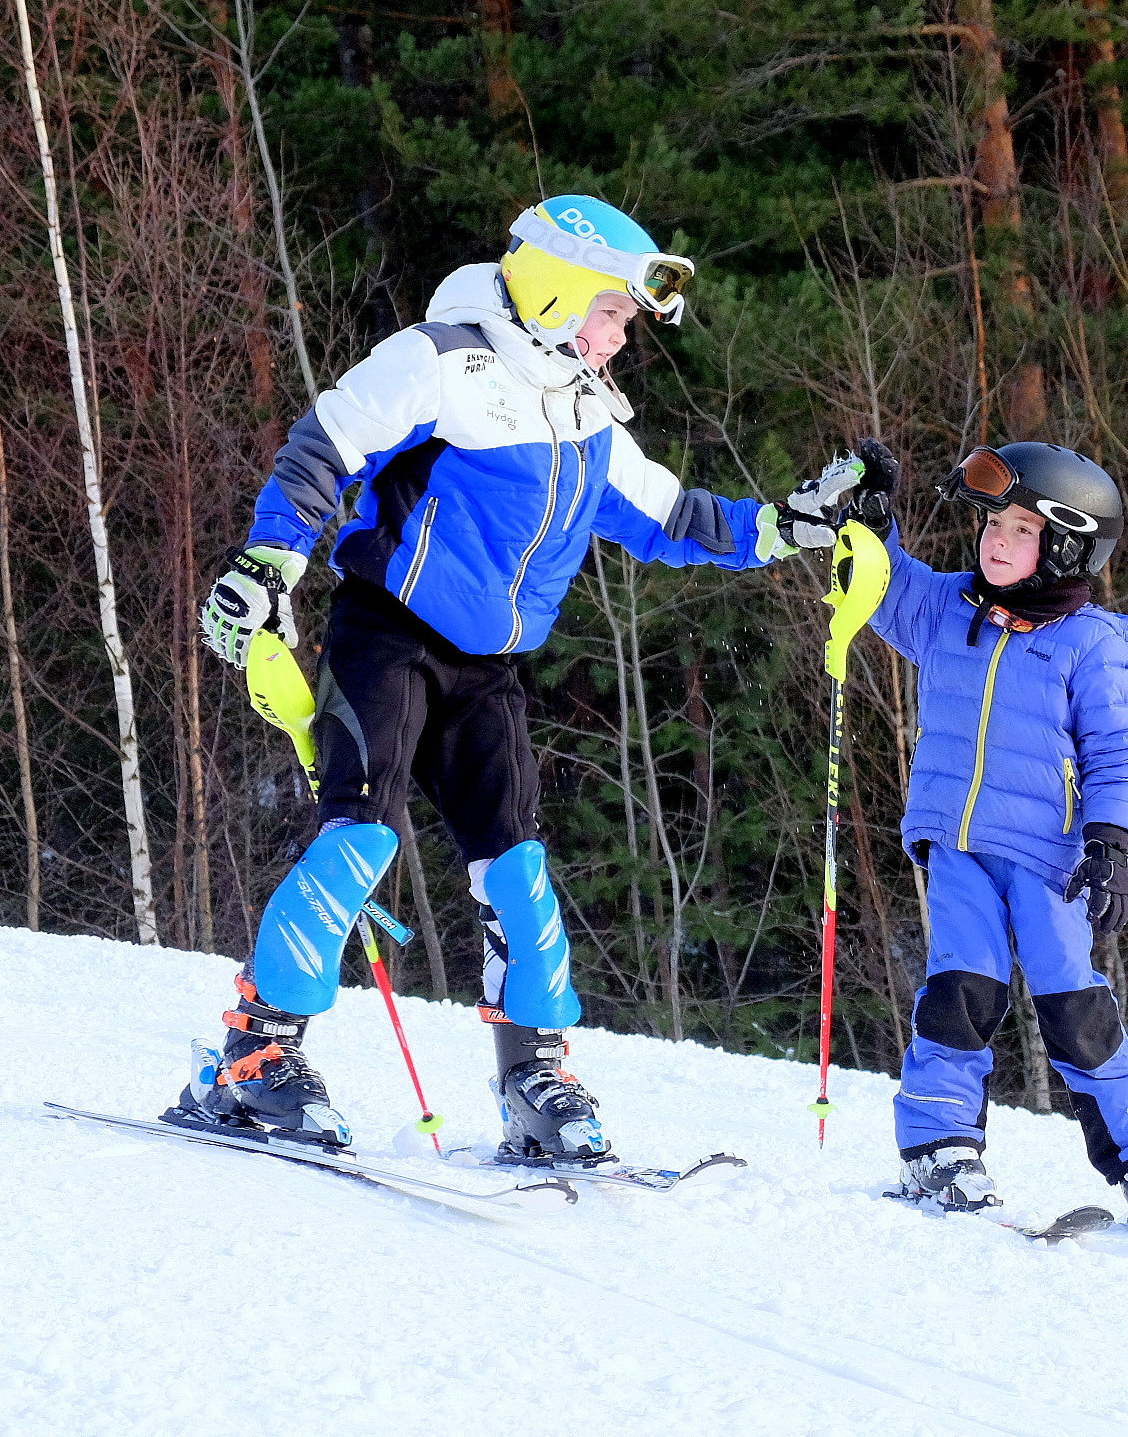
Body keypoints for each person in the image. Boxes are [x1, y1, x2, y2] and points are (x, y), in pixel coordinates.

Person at [172, 194, 858, 1163]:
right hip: (387, 636)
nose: (619, 339)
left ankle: (534, 1076)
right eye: (612, 313)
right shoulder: (438, 359)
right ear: (556, 293)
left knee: (516, 865)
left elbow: (664, 518)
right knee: (358, 838)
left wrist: (783, 528)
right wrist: (266, 563)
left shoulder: (583, 408)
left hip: (487, 667)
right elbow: (321, 447)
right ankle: (252, 1058)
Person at [847, 437, 1128, 1224]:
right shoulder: (945, 610)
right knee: (958, 991)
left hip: (1049, 862)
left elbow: (1118, 751)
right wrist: (870, 523)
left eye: (1019, 530)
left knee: (1072, 1007)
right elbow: (882, 585)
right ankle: (940, 1148)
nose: (994, 540)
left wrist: (1108, 842)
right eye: (992, 525)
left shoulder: (1087, 644)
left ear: (1066, 546)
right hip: (957, 849)